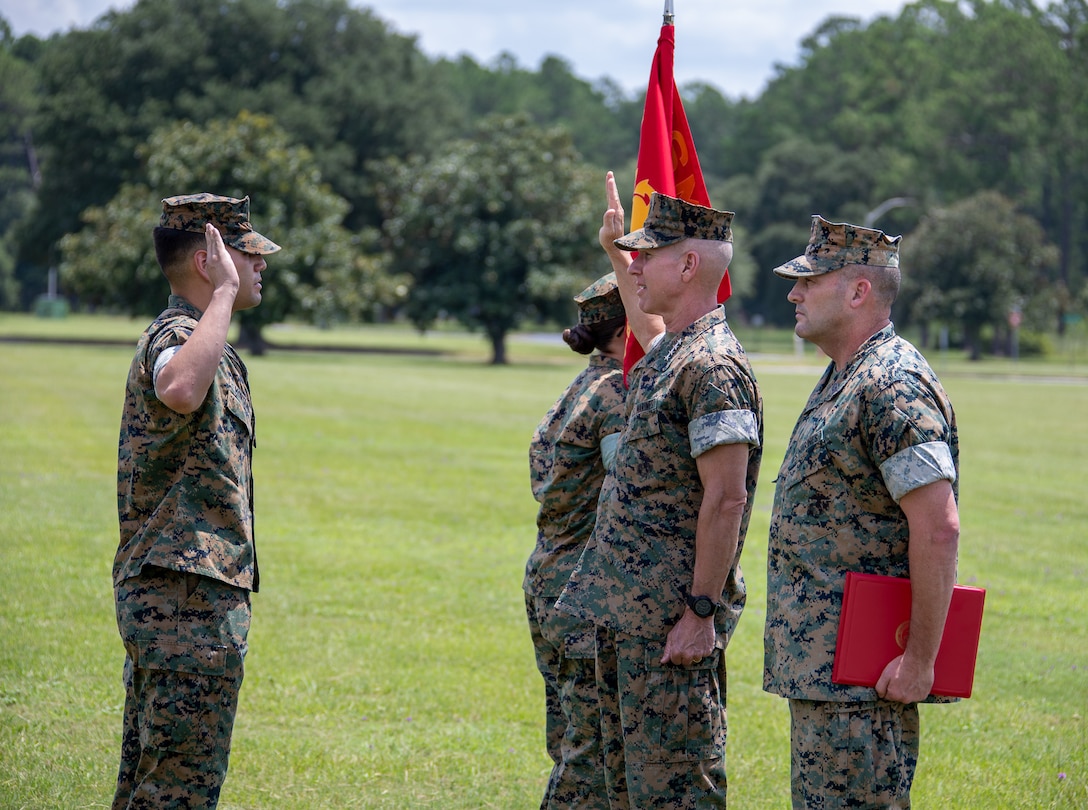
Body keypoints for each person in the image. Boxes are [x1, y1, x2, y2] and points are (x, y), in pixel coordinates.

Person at [557, 173, 763, 809]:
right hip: (632, 620)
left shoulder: (714, 366)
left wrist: (700, 613)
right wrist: (616, 253)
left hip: (672, 627)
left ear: (691, 263)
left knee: (676, 792)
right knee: (630, 792)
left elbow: (727, 499)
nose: (637, 265)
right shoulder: (677, 351)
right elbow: (649, 334)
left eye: (649, 255)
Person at [763, 215, 960, 809]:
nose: (794, 292)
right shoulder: (845, 375)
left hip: (868, 679)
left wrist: (920, 661)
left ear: (858, 291)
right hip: (830, 671)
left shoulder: (892, 384)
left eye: (810, 280)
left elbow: (938, 526)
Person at [112, 193, 280, 809]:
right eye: (246, 255)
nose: (260, 265)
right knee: (176, 789)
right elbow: (180, 388)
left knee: (155, 779)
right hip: (180, 598)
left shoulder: (208, 342)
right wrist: (224, 298)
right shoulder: (177, 335)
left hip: (192, 596)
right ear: (208, 262)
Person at [524, 273, 629, 809]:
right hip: (583, 587)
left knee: (571, 739)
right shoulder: (617, 393)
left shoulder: (582, 386)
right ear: (626, 327)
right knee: (589, 758)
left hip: (552, 575)